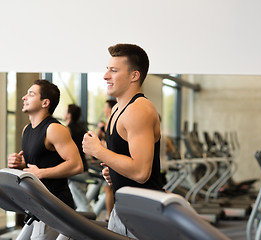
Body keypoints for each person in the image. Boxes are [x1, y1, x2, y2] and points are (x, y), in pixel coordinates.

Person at [82, 43, 163, 238]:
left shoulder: (139, 110)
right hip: (124, 207)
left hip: (142, 213)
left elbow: (141, 172)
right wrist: (115, 171)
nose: (105, 76)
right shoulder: (117, 110)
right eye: (107, 69)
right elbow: (129, 161)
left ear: (134, 76)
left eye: (114, 70)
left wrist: (99, 151)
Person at [8, 79, 83, 239]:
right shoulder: (27, 129)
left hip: (56, 206)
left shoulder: (54, 129)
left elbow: (77, 165)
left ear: (45, 103)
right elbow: (37, 164)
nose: (24, 97)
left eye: (31, 94)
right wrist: (21, 165)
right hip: (36, 204)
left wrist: (40, 173)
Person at [65, 104, 93, 212]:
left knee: (83, 204)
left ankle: (91, 226)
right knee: (81, 200)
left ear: (69, 115)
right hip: (83, 167)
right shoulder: (82, 129)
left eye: (65, 111)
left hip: (75, 170)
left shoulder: (68, 129)